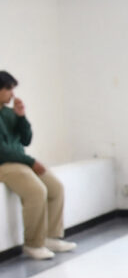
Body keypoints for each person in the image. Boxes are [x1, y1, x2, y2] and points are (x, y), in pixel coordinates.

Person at [0, 71, 76, 260]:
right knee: (36, 191)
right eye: (8, 89)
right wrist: (31, 162)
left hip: (19, 161)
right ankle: (33, 244)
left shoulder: (9, 113)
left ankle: (50, 237)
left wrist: (21, 117)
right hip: (5, 164)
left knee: (55, 188)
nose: (12, 94)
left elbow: (26, 140)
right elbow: (2, 151)